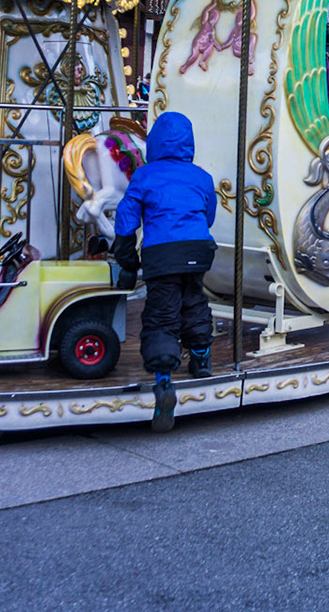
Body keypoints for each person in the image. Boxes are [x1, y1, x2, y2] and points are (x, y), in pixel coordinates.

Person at [112, 111, 217, 433]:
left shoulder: (144, 175)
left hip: (163, 253)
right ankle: (200, 359)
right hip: (199, 248)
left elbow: (126, 218)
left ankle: (164, 381)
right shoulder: (201, 175)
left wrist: (127, 258)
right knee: (193, 299)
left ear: (154, 142)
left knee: (162, 313)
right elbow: (209, 214)